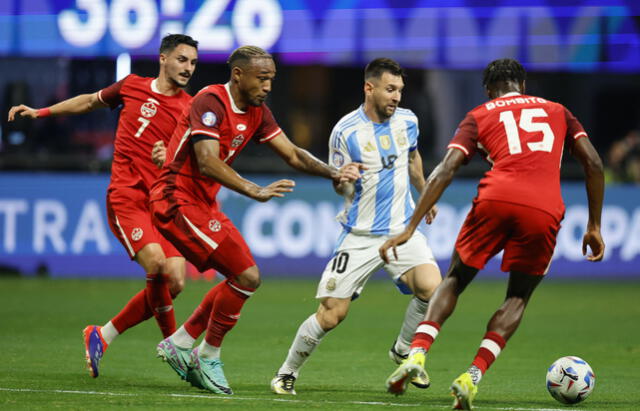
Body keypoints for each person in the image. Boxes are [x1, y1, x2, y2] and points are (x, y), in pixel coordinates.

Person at [380, 58, 605, 410]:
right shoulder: (559, 111)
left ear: (489, 90)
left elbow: (445, 169)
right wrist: (594, 225)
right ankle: (472, 375)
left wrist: (411, 227)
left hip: (496, 197)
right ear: (523, 86)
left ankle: (417, 354)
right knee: (517, 297)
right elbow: (593, 162)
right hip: (545, 207)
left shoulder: (480, 114)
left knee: (454, 278)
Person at [149, 45, 362, 395]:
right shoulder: (211, 102)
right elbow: (206, 161)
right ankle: (207, 354)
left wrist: (333, 173)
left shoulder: (258, 112)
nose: (268, 86)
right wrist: (253, 189)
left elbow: (292, 152)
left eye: (272, 79)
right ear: (238, 75)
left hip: (201, 203)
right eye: (262, 78)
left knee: (243, 277)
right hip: (175, 199)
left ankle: (183, 342)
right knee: (246, 275)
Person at [7, 34, 199, 378]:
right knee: (156, 264)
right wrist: (41, 112)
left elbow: (197, 159)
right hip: (127, 197)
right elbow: (88, 102)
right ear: (163, 59)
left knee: (176, 282)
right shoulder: (131, 86)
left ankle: (102, 334)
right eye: (182, 60)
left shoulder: (190, 108)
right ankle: (173, 345)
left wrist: (172, 159)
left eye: (193, 63)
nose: (188, 68)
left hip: (164, 202)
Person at [268, 58, 442, 395]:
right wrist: (341, 179)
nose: (396, 97)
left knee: (432, 290)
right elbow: (340, 183)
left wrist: (426, 195)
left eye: (400, 90)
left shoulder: (408, 121)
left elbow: (412, 159)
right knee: (332, 314)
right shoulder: (345, 132)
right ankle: (287, 372)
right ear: (369, 87)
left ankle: (403, 349)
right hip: (360, 235)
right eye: (390, 89)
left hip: (402, 230)